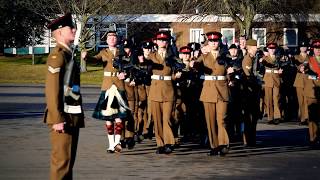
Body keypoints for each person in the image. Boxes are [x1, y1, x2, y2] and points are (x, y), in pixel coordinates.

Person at [44, 13, 85, 179]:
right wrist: (57, 118)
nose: (74, 30)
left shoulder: (68, 55)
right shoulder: (57, 56)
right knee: (61, 165)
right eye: (71, 28)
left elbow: (72, 88)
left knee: (68, 163)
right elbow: (52, 90)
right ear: (60, 32)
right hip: (62, 117)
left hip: (71, 114)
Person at [81, 24, 129, 153]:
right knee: (108, 118)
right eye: (110, 38)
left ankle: (117, 142)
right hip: (107, 87)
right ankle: (111, 144)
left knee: (119, 116)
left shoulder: (123, 52)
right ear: (106, 40)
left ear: (117, 39)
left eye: (114, 37)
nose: (112, 39)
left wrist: (126, 74)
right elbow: (94, 60)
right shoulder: (103, 53)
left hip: (119, 86)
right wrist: (86, 57)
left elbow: (129, 66)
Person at [190, 31, 230, 156]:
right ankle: (214, 146)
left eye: (216, 41)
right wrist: (193, 63)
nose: (213, 43)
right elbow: (196, 65)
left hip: (222, 90)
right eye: (211, 41)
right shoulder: (204, 56)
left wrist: (232, 76)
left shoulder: (225, 55)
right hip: (208, 91)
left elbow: (230, 69)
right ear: (208, 42)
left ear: (219, 42)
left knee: (222, 119)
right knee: (210, 121)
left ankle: (223, 144)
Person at [148, 30, 182, 154]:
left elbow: (177, 71)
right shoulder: (151, 56)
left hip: (168, 89)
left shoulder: (172, 56)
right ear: (156, 42)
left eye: (165, 40)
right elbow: (146, 69)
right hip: (155, 89)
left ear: (168, 42)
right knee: (157, 119)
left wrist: (177, 76)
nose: (162, 42)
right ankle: (160, 144)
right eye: (160, 40)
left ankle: (169, 143)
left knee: (167, 118)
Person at [241, 39, 261, 147]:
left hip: (254, 90)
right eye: (254, 47)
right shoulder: (247, 59)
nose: (256, 48)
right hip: (249, 91)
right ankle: (248, 139)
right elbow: (248, 76)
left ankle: (251, 138)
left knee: (254, 116)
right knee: (248, 117)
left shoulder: (254, 58)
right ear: (249, 47)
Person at [303, 39, 320, 148]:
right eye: (316, 49)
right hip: (312, 91)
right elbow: (302, 67)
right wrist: (303, 68)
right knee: (313, 116)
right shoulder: (309, 59)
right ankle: (313, 138)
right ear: (313, 49)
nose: (318, 51)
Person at [261, 42, 283, 125]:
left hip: (276, 79)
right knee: (268, 99)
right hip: (268, 79)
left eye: (273, 49)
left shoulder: (279, 58)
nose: (272, 50)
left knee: (276, 98)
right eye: (270, 49)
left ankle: (277, 116)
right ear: (268, 49)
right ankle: (270, 117)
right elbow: (263, 65)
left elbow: (282, 67)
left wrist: (281, 71)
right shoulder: (265, 58)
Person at [293, 41, 309, 125]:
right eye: (302, 47)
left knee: (307, 100)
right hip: (299, 81)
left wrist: (305, 69)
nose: (303, 48)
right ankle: (302, 118)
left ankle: (307, 118)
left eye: (305, 47)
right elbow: (295, 65)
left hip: (308, 81)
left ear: (307, 48)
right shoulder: (296, 57)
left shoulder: (310, 57)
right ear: (299, 48)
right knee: (300, 100)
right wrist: (300, 68)